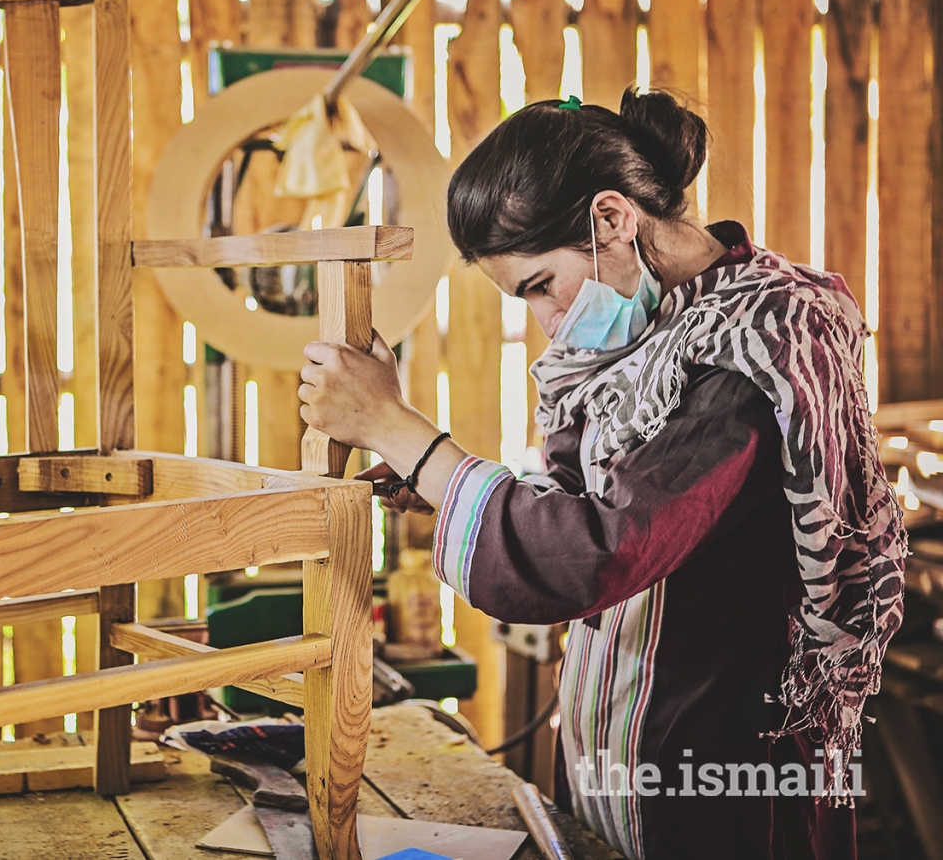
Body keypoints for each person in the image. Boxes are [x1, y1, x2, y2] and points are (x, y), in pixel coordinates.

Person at [297, 89, 906, 860]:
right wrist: (442, 480)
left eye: (540, 286)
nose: (547, 323)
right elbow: (588, 492)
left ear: (613, 219)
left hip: (724, 771)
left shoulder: (757, 347)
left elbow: (598, 549)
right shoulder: (647, 337)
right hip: (620, 747)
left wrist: (400, 428)